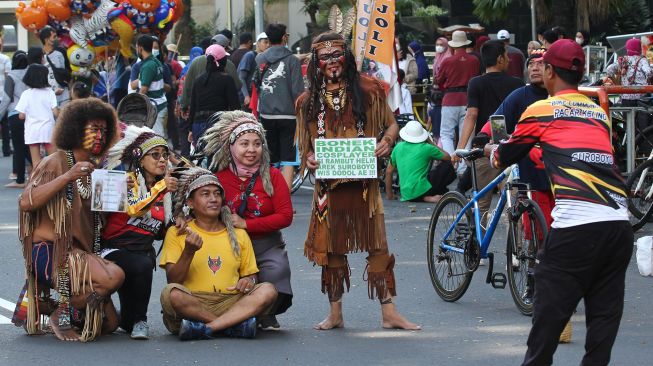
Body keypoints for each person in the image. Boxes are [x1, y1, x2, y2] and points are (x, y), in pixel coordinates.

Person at [485, 39, 633, 366]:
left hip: (576, 229)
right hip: (618, 226)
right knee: (603, 321)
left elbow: (505, 155)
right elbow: (576, 155)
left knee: (547, 321)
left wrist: (491, 151)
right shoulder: (597, 111)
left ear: (550, 71)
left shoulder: (541, 109)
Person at [296, 31, 420, 331]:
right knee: (332, 248)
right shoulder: (307, 102)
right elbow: (306, 148)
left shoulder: (369, 90)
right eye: (323, 57)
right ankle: (335, 312)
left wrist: (387, 141)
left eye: (336, 55)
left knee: (378, 246)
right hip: (328, 189)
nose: (330, 62)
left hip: (365, 188)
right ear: (316, 61)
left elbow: (392, 125)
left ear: (347, 57)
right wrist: (310, 158)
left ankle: (389, 312)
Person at [17, 98, 124, 342]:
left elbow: (100, 224)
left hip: (82, 253)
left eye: (104, 131)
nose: (100, 136)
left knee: (109, 325)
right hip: (51, 251)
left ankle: (56, 307)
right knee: (114, 276)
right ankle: (59, 313)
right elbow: (26, 201)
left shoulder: (97, 171)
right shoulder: (55, 162)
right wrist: (68, 176)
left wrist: (117, 194)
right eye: (93, 129)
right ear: (75, 130)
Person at [199, 111, 294, 330]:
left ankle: (264, 312)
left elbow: (285, 216)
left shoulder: (274, 176)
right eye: (244, 144)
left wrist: (247, 224)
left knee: (276, 271)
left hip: (265, 244)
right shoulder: (218, 178)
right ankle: (231, 315)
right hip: (228, 244)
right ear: (231, 147)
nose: (252, 150)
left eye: (257, 143)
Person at [159, 167, 278, 340]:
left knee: (268, 290)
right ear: (190, 203)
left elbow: (252, 277)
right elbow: (174, 281)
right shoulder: (178, 232)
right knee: (171, 294)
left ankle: (207, 328)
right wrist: (188, 252)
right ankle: (232, 326)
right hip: (194, 303)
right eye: (205, 194)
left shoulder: (238, 233)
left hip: (231, 302)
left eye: (217, 194)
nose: (213, 199)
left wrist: (248, 281)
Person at [102, 126, 177, 339]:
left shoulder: (167, 191)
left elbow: (162, 229)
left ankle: (128, 319)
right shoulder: (127, 181)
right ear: (140, 160)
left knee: (124, 322)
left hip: (141, 253)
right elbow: (135, 208)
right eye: (155, 155)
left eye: (165, 155)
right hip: (114, 250)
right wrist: (161, 187)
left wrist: (178, 222)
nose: (162, 160)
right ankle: (141, 320)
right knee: (143, 263)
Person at [454, 40, 524, 214]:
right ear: (500, 59)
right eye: (506, 56)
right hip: (511, 148)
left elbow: (471, 115)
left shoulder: (476, 83)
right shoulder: (517, 84)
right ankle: (515, 241)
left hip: (484, 148)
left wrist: (460, 148)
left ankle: (478, 240)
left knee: (482, 205)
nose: (508, 59)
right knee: (514, 204)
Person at [255, 23, 305, 190]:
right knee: (289, 158)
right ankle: (285, 199)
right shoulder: (292, 60)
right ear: (284, 37)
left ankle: (271, 195)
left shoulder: (260, 59)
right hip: (289, 115)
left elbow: (256, 84)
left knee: (270, 157)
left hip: (266, 114)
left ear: (268, 39)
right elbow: (298, 91)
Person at [436, 30, 480, 175]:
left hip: (450, 99)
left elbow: (439, 80)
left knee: (446, 134)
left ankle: (450, 162)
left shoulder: (447, 61)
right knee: (466, 135)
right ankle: (462, 168)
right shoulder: (474, 60)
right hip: (469, 99)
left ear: (453, 45)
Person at [387, 120, 455, 202]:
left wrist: (390, 194)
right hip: (422, 189)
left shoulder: (398, 147)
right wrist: (431, 143)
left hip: (406, 194)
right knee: (447, 165)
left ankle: (424, 197)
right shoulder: (426, 147)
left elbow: (389, 172)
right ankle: (426, 196)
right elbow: (448, 157)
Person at [188, 45, 239, 145]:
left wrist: (190, 129)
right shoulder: (227, 80)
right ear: (224, 61)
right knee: (217, 159)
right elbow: (235, 107)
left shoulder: (198, 80)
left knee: (201, 158)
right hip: (220, 125)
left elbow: (193, 106)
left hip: (198, 126)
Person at [16, 64, 58, 168]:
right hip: (48, 130)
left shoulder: (26, 94)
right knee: (54, 160)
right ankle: (54, 182)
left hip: (32, 131)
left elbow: (21, 116)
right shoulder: (50, 92)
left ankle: (37, 183)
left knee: (36, 163)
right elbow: (56, 113)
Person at [0, 51, 30, 188]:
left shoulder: (11, 77)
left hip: (15, 114)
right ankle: (38, 172)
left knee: (19, 147)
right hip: (31, 114)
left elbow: (6, 99)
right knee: (31, 146)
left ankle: (20, 180)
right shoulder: (31, 73)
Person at [133, 35, 168, 137]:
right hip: (159, 105)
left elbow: (143, 90)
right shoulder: (155, 61)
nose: (136, 50)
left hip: (155, 107)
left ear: (140, 48)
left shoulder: (148, 65)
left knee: (157, 138)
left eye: (136, 47)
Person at [605, 38, 653, 106]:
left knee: (627, 115)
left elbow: (609, 69)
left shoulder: (623, 60)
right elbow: (648, 72)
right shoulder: (642, 60)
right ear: (639, 48)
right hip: (640, 98)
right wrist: (649, 80)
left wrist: (616, 82)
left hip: (625, 97)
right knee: (640, 116)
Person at [428, 36, 452, 144]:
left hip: (446, 93)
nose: (439, 47)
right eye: (437, 45)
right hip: (437, 95)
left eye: (441, 45)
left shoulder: (448, 58)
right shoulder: (437, 57)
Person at [39, 26, 69, 107]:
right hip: (48, 95)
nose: (57, 39)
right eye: (54, 37)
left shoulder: (60, 52)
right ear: (46, 39)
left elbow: (67, 71)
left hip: (64, 94)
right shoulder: (39, 55)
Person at [239, 32, 270, 111]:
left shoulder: (267, 58)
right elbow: (241, 77)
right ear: (258, 43)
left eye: (269, 43)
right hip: (248, 97)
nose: (268, 45)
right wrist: (246, 96)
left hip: (260, 97)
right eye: (265, 42)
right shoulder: (250, 55)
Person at [0, 34, 12, 157]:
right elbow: (8, 77)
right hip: (2, 96)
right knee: (4, 124)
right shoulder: (5, 59)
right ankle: (6, 149)